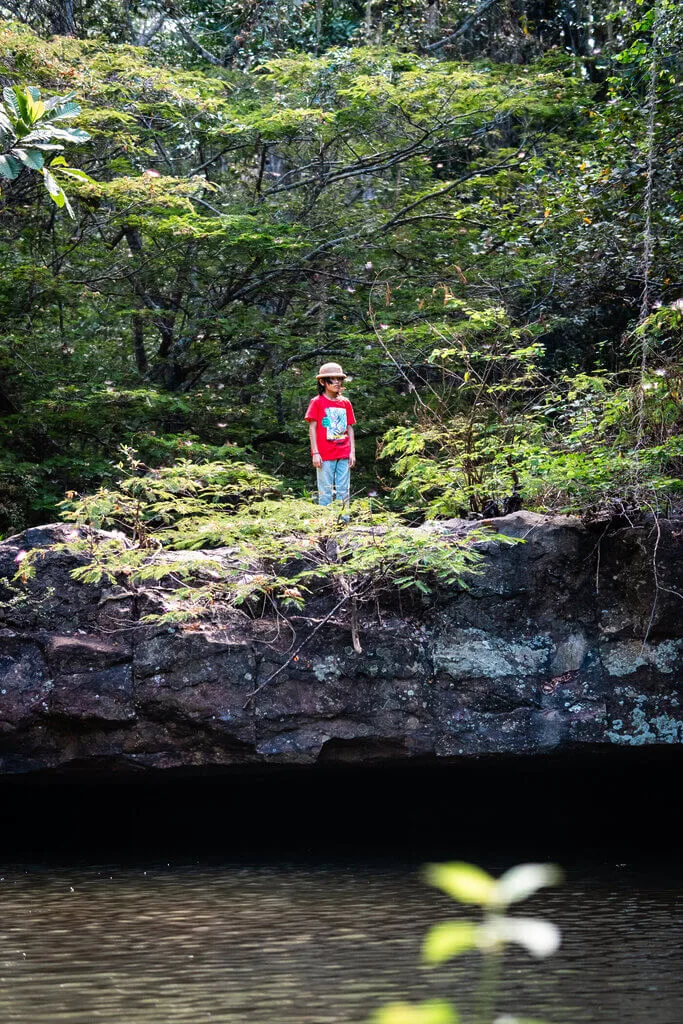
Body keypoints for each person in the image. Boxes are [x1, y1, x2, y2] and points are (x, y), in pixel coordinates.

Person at [305, 362, 356, 515]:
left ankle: (343, 523)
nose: (336, 383)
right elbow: (312, 428)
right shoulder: (317, 402)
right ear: (322, 382)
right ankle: (326, 526)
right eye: (332, 379)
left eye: (339, 379)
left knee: (343, 490)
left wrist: (352, 451)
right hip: (325, 454)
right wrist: (315, 453)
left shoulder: (345, 402)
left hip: (344, 452)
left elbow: (349, 427)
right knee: (325, 490)